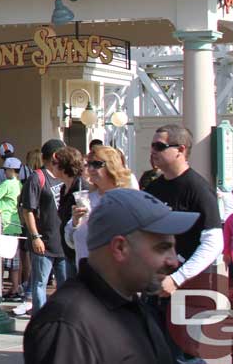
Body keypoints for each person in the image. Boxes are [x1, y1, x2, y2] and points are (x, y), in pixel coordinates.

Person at [23, 188, 197, 364]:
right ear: (120, 248)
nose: (174, 261)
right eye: (162, 248)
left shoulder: (133, 306)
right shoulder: (67, 324)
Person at [143, 124, 223, 362]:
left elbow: (214, 242)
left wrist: (178, 278)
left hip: (190, 288)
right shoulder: (155, 188)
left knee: (185, 357)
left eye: (160, 146)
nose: (153, 151)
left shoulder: (197, 188)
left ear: (180, 149)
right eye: (153, 145)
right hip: (156, 286)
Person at [65, 145, 133, 268]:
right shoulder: (86, 198)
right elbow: (71, 242)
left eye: (96, 164)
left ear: (111, 165)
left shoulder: (125, 198)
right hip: (86, 275)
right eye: (88, 164)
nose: (91, 169)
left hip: (116, 275)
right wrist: (75, 222)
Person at [21, 138, 67, 314]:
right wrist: (35, 236)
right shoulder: (37, 178)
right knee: (39, 283)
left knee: (65, 284)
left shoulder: (64, 176)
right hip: (44, 241)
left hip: (62, 241)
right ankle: (39, 320)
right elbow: (28, 210)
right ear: (55, 155)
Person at [51, 146, 86, 279]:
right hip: (68, 249)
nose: (51, 166)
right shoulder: (63, 188)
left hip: (80, 251)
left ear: (64, 166)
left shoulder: (81, 188)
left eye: (55, 163)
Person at [0, 157, 24, 298]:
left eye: (6, 170)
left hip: (4, 224)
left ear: (12, 170)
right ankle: (15, 288)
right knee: (14, 261)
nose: (4, 172)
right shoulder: (19, 184)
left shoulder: (7, 183)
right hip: (15, 224)